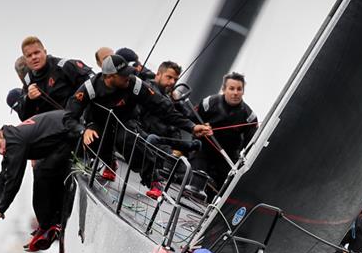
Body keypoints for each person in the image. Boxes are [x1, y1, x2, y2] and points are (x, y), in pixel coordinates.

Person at [63, 54, 212, 183]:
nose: (128, 76)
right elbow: (69, 117)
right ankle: (109, 163)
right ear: (110, 76)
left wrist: (191, 126)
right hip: (98, 124)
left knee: (128, 137)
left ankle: (152, 179)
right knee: (91, 137)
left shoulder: (134, 84)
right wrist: (82, 131)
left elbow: (163, 108)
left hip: (126, 122)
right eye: (123, 74)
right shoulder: (89, 88)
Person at [0, 110, 75, 251]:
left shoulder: (14, 142)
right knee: (40, 170)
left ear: (0, 134)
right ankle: (48, 223)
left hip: (69, 133)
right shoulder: (9, 138)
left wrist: (1, 209)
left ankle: (48, 225)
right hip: (61, 138)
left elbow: (14, 179)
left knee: (42, 173)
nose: (1, 152)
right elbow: (3, 176)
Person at [139, 61, 202, 198]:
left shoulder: (170, 98)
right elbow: (162, 109)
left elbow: (184, 116)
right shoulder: (148, 89)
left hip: (163, 144)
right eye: (169, 77)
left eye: (175, 79)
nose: (172, 82)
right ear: (158, 74)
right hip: (147, 140)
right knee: (178, 166)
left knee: (187, 171)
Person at [192, 72, 258, 195]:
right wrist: (197, 131)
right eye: (231, 88)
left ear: (243, 91)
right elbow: (190, 122)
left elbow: (251, 145)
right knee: (194, 180)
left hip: (227, 157)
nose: (235, 93)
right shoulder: (208, 103)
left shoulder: (250, 117)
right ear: (223, 89)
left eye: (239, 89)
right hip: (203, 149)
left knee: (225, 190)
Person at [16, 36, 93, 121]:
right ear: (26, 60)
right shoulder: (28, 82)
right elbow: (24, 117)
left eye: (37, 52)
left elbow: (93, 82)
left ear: (45, 52)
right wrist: (29, 99)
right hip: (53, 128)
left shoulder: (64, 66)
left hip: (80, 120)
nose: (34, 57)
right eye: (29, 55)